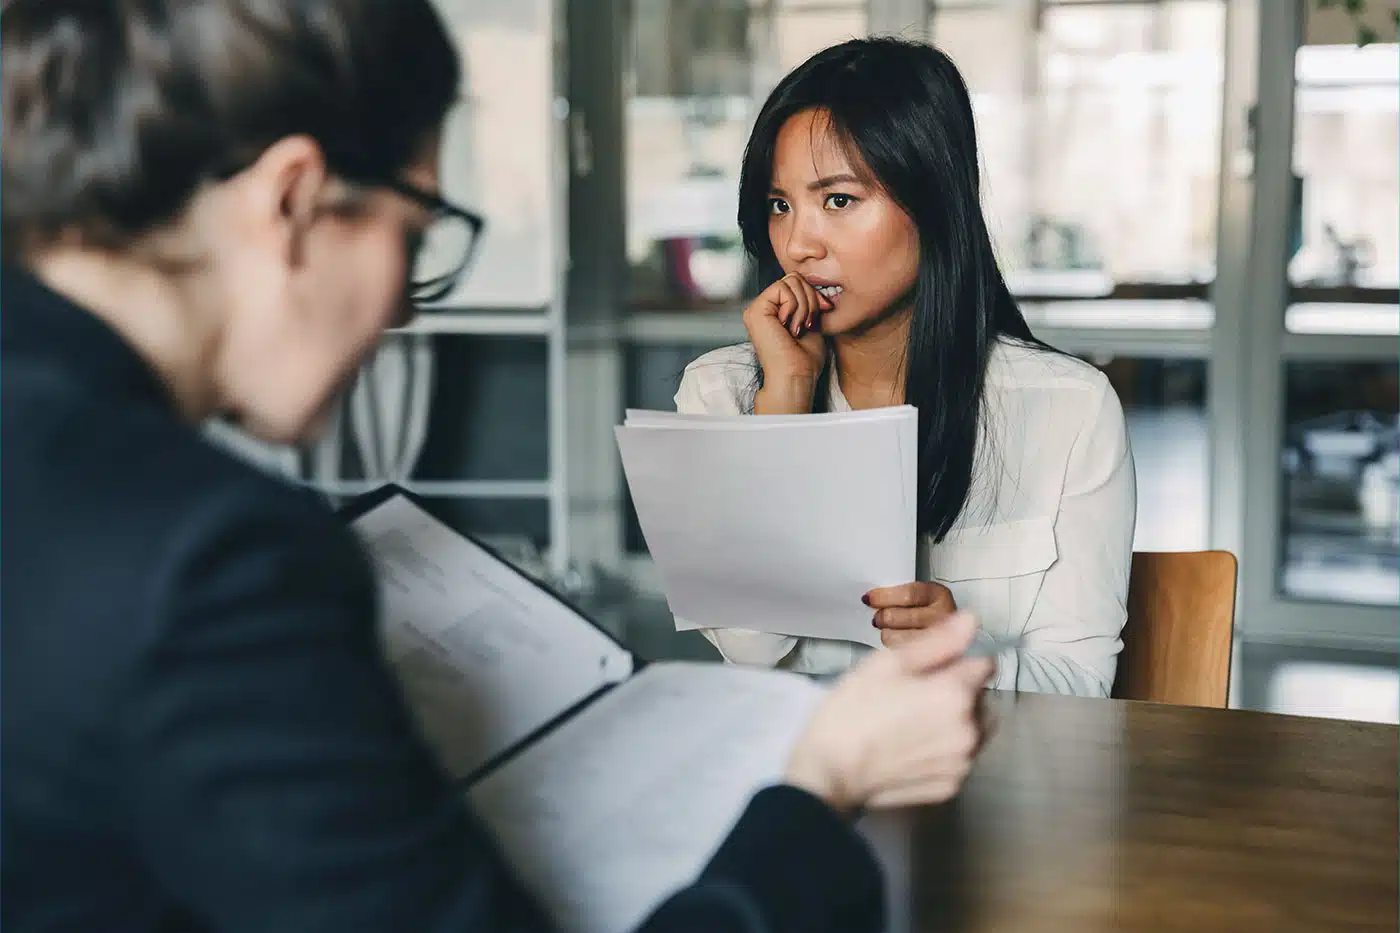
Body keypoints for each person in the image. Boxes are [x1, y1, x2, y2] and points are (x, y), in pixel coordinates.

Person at [0, 4, 995, 933]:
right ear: (294, 200)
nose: (401, 309)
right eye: (416, 235)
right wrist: (819, 792)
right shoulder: (216, 558)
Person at [675, 37, 1137, 697]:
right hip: (806, 783)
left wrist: (967, 653)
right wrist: (786, 400)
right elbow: (752, 649)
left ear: (934, 199)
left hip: (991, 787)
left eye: (837, 200)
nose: (799, 246)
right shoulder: (719, 392)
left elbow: (1081, 684)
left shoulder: (1070, 409)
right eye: (781, 205)